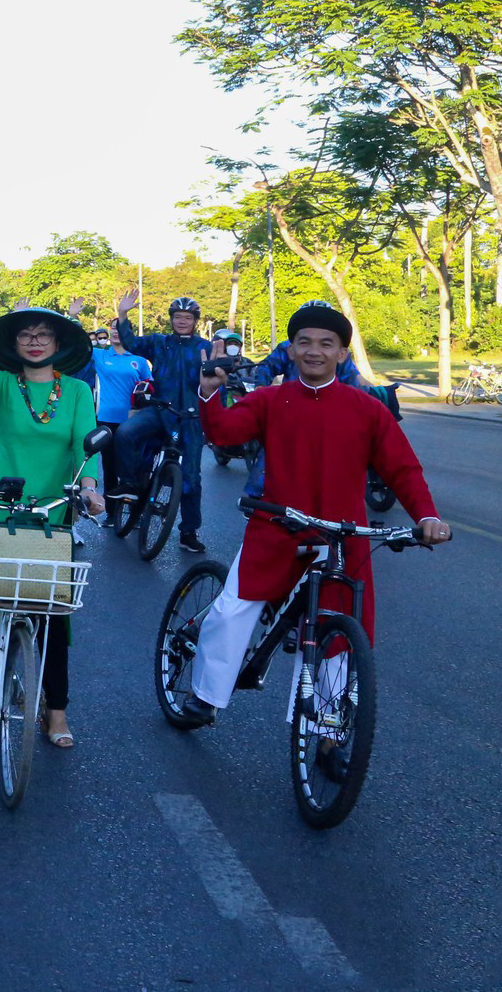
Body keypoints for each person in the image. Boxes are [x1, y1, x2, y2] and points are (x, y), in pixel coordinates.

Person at [177, 303, 450, 727]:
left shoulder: (367, 409)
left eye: (327, 344)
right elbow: (225, 433)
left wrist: (427, 516)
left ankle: (324, 730)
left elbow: (403, 469)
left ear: (342, 353)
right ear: (291, 349)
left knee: (341, 634)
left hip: (343, 537)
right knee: (232, 611)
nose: (315, 351)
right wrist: (211, 393)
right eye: (304, 342)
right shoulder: (271, 399)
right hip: (277, 527)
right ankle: (206, 695)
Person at [0, 275, 101, 749]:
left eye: (42, 334)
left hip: (52, 503)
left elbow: (85, 445)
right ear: (16, 344)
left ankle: (57, 711)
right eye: (26, 335)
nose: (33, 341)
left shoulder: (74, 393)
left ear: (57, 343)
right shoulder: (6, 385)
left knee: (50, 610)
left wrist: (89, 489)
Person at [113, 291, 214, 552]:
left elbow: (223, 373)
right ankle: (130, 484)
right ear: (172, 320)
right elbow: (130, 342)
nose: (182, 321)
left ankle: (189, 532)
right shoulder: (159, 342)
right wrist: (123, 313)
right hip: (160, 410)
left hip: (191, 419)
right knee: (125, 433)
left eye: (187, 317)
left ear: (195, 321)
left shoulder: (207, 348)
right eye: (178, 316)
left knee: (192, 478)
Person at [90, 321, 153, 495]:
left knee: (135, 465)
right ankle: (111, 512)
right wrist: (73, 315)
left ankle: (137, 511)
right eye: (113, 328)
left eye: (121, 329)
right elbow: (77, 343)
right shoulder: (100, 355)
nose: (116, 332)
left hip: (132, 421)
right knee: (109, 466)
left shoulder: (139, 359)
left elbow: (150, 384)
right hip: (106, 419)